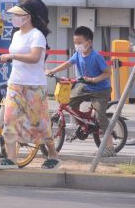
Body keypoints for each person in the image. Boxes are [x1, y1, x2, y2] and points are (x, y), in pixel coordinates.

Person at [0, 4, 60, 169]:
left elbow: (34, 57)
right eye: (14, 15)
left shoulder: (37, 35)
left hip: (34, 85)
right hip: (15, 83)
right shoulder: (16, 34)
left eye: (18, 15)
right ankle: (11, 158)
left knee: (40, 123)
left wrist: (12, 56)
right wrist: (10, 57)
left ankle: (53, 154)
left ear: (28, 17)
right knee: (9, 119)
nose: (14, 18)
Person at [46, 26, 114, 155]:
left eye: (79, 43)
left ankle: (110, 148)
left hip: (100, 89)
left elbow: (107, 73)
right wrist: (52, 71)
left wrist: (94, 79)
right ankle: (84, 123)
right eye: (75, 43)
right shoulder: (77, 54)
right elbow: (68, 63)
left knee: (101, 117)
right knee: (68, 102)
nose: (77, 45)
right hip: (84, 85)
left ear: (89, 43)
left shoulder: (96, 56)